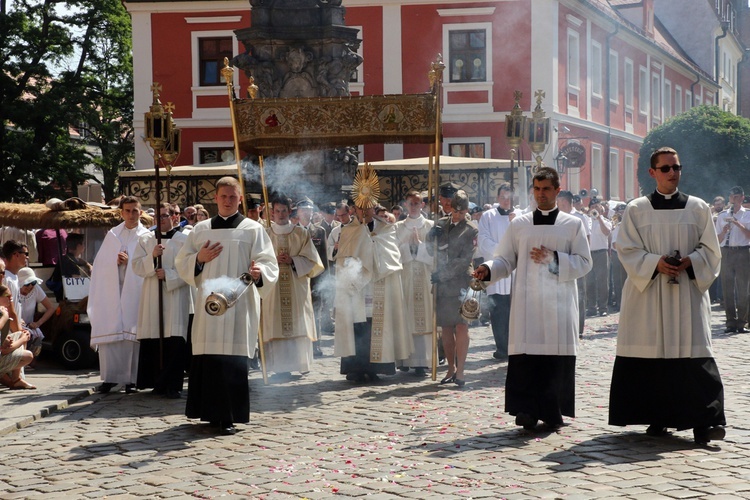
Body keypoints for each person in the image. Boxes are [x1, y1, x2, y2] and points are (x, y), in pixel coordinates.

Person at [609, 147, 726, 444]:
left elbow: (711, 250)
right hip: (648, 293)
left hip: (687, 291)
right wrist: (654, 263)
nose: (673, 173)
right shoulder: (636, 209)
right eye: (666, 168)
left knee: (695, 352)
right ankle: (657, 417)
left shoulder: (698, 208)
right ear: (652, 173)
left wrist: (691, 262)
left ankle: (705, 423)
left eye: (677, 167)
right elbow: (626, 249)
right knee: (652, 352)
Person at [474, 167, 592, 430]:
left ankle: (552, 411)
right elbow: (506, 258)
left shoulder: (572, 224)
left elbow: (585, 263)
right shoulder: (520, 224)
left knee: (554, 355)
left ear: (557, 190)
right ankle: (526, 409)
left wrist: (555, 259)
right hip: (527, 302)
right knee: (527, 355)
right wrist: (489, 269)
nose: (541, 194)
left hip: (559, 305)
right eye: (537, 189)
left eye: (546, 189)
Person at [175, 176, 278, 436]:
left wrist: (259, 272)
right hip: (209, 305)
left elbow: (268, 261)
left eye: (233, 197)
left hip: (238, 304)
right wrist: (198, 258)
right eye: (224, 196)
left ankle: (229, 415)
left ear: (240, 199)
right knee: (209, 359)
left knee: (232, 360)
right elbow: (182, 261)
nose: (228, 201)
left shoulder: (253, 229)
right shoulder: (201, 229)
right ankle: (209, 413)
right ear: (216, 198)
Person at [87, 196, 149, 394]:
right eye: (128, 211)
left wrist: (130, 261)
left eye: (135, 210)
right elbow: (99, 265)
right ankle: (110, 378)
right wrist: (114, 261)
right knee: (112, 336)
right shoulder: (113, 235)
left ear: (141, 212)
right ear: (121, 212)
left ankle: (132, 379)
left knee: (132, 337)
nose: (131, 214)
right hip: (113, 290)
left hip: (135, 291)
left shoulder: (146, 236)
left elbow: (148, 264)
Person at [131, 202, 193, 398]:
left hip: (175, 295)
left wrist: (169, 275)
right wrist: (152, 257)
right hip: (152, 295)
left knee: (174, 339)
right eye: (158, 217)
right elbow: (136, 266)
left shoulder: (184, 240)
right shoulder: (146, 239)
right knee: (154, 338)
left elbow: (191, 269)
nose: (161, 220)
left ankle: (173, 384)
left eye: (165, 216)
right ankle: (156, 382)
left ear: (174, 217)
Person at [262, 197, 323, 376]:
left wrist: (293, 260)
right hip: (273, 289)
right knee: (275, 324)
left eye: (284, 211)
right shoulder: (265, 234)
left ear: (290, 212)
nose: (280, 214)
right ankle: (278, 367)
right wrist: (273, 260)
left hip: (296, 287)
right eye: (277, 211)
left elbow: (313, 261)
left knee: (298, 323)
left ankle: (300, 363)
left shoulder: (301, 233)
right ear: (272, 212)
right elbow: (257, 260)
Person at [427, 190, 478, 387]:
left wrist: (443, 274)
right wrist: (430, 236)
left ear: (466, 210)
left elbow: (464, 259)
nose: (456, 216)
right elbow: (429, 249)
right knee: (446, 327)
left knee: (462, 326)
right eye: (454, 212)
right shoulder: (440, 224)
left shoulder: (471, 229)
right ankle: (450, 368)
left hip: (461, 283)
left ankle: (462, 369)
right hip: (442, 283)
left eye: (460, 212)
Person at [394, 190, 434, 376]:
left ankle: (423, 361)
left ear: (422, 205)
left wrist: (421, 246)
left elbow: (436, 256)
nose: (414, 206)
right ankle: (405, 359)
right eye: (410, 203)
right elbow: (393, 255)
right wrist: (409, 248)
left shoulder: (431, 226)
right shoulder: (398, 227)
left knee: (425, 317)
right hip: (406, 278)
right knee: (407, 317)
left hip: (425, 278)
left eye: (417, 203)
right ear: (405, 205)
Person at [477, 183, 519, 360]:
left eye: (509, 197)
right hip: (495, 268)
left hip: (516, 270)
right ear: (497, 198)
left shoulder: (519, 216)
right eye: (503, 197)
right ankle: (502, 347)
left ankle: (515, 346)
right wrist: (503, 251)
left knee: (515, 311)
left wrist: (515, 222)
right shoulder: (488, 216)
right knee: (498, 310)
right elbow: (483, 240)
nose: (506, 200)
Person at [715, 186, 750, 333]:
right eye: (732, 197)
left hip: (742, 252)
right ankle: (730, 322)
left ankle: (741, 322)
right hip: (726, 252)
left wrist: (737, 224)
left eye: (736, 197)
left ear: (742, 198)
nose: (734, 200)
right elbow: (717, 239)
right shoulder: (722, 215)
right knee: (727, 288)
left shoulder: (747, 215)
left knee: (743, 289)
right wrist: (724, 231)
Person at [296, 197, 330, 352]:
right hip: (298, 277)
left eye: (309, 210)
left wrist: (325, 280)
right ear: (298, 212)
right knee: (299, 312)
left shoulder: (319, 231)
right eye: (303, 210)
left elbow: (323, 258)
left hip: (315, 277)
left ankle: (315, 344)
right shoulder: (292, 230)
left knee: (316, 312)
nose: (307, 213)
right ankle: (300, 345)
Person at [0, 285, 35, 389]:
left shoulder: (2, 311)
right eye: (7, 296)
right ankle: (14, 379)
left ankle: (16, 379)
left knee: (21, 333)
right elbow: (4, 351)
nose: (10, 299)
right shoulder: (3, 314)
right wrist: (22, 340)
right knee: (28, 356)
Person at [16, 267, 54, 357]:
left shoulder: (36, 289)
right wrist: (17, 319)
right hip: (14, 324)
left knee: (37, 336)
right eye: (27, 283)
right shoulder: (14, 289)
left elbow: (51, 308)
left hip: (29, 326)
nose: (30, 286)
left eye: (33, 283)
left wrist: (38, 323)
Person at [585, 198, 612, 317]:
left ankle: (603, 308)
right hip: (589, 253)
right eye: (593, 206)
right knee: (589, 281)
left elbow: (606, 232)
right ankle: (591, 307)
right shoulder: (586, 221)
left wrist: (599, 217)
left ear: (601, 208)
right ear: (590, 208)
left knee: (602, 281)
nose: (595, 209)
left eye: (597, 206)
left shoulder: (606, 221)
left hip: (601, 253)